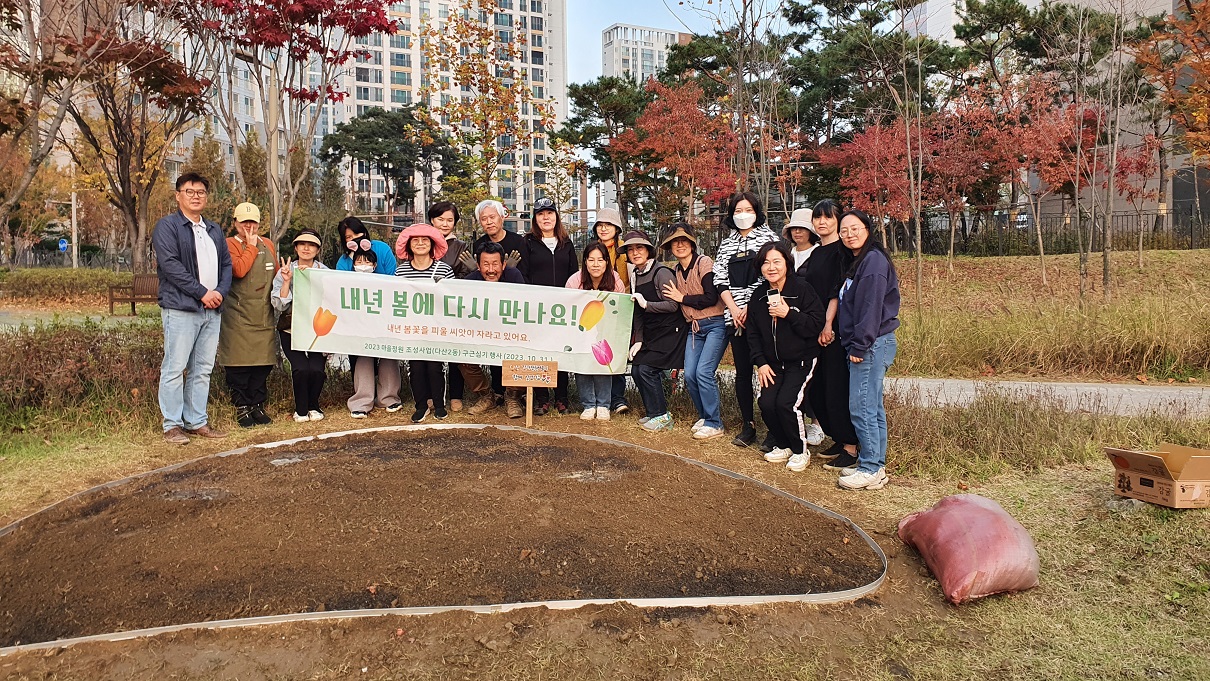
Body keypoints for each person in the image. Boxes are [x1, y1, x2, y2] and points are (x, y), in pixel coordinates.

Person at [152, 172, 232, 445]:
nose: (196, 196)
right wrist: (202, 293)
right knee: (175, 367)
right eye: (190, 191)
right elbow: (171, 267)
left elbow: (226, 265)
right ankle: (172, 425)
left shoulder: (213, 229)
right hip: (182, 308)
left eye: (201, 192)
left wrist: (219, 292)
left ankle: (196, 421)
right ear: (178, 195)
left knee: (203, 368)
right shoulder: (168, 226)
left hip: (212, 310)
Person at [836, 209, 901, 491]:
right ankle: (876, 465)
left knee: (861, 407)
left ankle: (870, 467)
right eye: (844, 230)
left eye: (855, 228)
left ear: (867, 228)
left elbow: (870, 308)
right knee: (872, 407)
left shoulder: (873, 262)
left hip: (871, 344)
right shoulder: (859, 261)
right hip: (870, 342)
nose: (849, 234)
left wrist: (860, 344)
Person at [747, 242, 825, 472]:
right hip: (771, 364)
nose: (771, 267)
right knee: (766, 403)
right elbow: (752, 333)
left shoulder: (802, 289)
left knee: (787, 404)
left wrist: (788, 313)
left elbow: (815, 324)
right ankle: (783, 444)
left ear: (787, 264)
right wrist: (760, 362)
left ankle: (801, 450)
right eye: (766, 263)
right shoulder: (759, 295)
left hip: (801, 361)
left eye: (776, 262)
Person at [713, 191, 781, 448]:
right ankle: (748, 425)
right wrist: (733, 308)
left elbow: (773, 277)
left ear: (757, 212)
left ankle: (773, 428)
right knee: (743, 373)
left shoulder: (769, 239)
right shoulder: (726, 245)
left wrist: (751, 309)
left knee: (768, 369)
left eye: (748, 210)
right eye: (738, 211)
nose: (743, 215)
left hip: (762, 315)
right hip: (735, 318)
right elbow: (719, 278)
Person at [797, 201, 861, 472]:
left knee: (836, 387)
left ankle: (851, 446)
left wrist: (828, 325)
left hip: (833, 329)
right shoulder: (816, 252)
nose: (821, 222)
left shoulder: (841, 253)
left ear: (838, 220)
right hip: (814, 329)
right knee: (819, 388)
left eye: (827, 217)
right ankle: (838, 438)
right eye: (817, 218)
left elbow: (836, 292)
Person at [659, 224, 727, 440]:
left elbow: (711, 297)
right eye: (675, 242)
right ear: (670, 247)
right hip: (694, 328)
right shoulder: (677, 271)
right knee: (689, 374)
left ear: (692, 243)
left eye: (684, 240)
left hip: (714, 323)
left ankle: (714, 422)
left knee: (704, 372)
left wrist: (682, 299)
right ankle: (705, 416)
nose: (680, 245)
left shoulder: (703, 263)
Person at [217, 202, 278, 428]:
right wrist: (251, 247)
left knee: (263, 363)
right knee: (239, 364)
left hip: (263, 313)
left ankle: (257, 404)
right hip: (238, 315)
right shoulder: (229, 244)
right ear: (235, 223)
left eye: (253, 222)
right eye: (244, 222)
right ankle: (241, 406)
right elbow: (238, 270)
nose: (249, 226)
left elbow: (276, 274)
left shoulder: (268, 244)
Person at [338, 216, 403, 418]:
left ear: (364, 232)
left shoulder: (382, 249)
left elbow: (394, 276)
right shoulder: (344, 259)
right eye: (349, 236)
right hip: (359, 315)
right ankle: (361, 400)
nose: (355, 239)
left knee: (388, 352)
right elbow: (339, 284)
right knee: (363, 354)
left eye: (357, 233)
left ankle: (389, 397)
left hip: (385, 310)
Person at [624, 230, 686, 432]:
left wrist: (647, 304)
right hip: (651, 333)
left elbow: (673, 305)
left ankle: (662, 416)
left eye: (639, 248)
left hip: (671, 331)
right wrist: (638, 339)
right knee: (636, 369)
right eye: (631, 249)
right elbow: (637, 312)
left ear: (648, 250)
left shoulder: (662, 273)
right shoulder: (634, 275)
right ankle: (652, 412)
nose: (635, 253)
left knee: (647, 370)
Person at [395, 223, 455, 423]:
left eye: (425, 240)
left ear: (432, 244)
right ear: (409, 246)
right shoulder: (400, 272)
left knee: (435, 367)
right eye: (416, 240)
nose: (420, 244)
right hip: (412, 329)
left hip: (436, 328)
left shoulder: (444, 270)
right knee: (416, 367)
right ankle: (421, 405)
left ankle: (439, 405)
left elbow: (452, 298)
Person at [524, 197, 578, 414]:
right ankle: (541, 398)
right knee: (539, 352)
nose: (546, 217)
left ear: (557, 216)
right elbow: (524, 275)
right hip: (538, 309)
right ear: (535, 219)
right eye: (540, 214)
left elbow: (575, 275)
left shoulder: (567, 243)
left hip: (563, 309)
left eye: (549, 213)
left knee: (561, 352)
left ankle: (562, 397)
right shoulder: (527, 242)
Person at [271, 229, 329, 423]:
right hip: (291, 328)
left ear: (317, 249)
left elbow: (333, 299)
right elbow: (279, 304)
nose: (306, 248)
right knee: (300, 368)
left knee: (317, 369)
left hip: (317, 329)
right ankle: (301, 409)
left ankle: (314, 405)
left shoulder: (325, 272)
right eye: (302, 244)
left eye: (311, 244)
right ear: (295, 248)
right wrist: (287, 281)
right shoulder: (286, 270)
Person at [566, 241, 626, 420]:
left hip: (607, 329)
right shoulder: (575, 280)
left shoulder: (615, 280)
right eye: (591, 260)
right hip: (581, 329)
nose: (596, 264)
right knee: (583, 363)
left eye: (600, 260)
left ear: (607, 262)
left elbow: (621, 308)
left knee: (602, 361)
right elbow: (568, 306)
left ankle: (604, 405)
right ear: (584, 261)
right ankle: (588, 404)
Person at [782, 208, 826, 448]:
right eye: (794, 228)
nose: (798, 232)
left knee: (815, 375)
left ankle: (816, 423)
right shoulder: (787, 254)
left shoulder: (818, 254)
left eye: (803, 228)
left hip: (811, 320)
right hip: (789, 322)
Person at [467, 241, 526, 416]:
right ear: (478, 265)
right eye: (485, 264)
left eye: (495, 264)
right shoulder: (469, 281)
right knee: (459, 353)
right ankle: (486, 395)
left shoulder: (514, 276)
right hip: (480, 334)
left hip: (510, 333)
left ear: (504, 264)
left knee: (526, 349)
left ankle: (512, 396)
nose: (491, 269)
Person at [430, 201, 474, 413]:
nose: (445, 224)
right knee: (431, 351)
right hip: (428, 306)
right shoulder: (422, 242)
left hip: (452, 304)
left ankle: (456, 395)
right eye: (441, 219)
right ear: (432, 220)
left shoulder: (461, 246)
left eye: (450, 220)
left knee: (456, 351)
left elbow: (466, 275)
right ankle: (433, 394)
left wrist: (446, 282)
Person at [592, 208, 632, 414]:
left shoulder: (626, 249)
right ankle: (599, 398)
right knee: (600, 352)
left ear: (617, 228)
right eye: (600, 225)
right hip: (598, 309)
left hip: (622, 307)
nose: (604, 228)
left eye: (608, 225)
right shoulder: (593, 249)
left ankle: (618, 398)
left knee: (617, 354)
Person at [471, 199, 528, 281]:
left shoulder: (519, 241)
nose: (489, 222)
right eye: (484, 219)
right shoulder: (478, 245)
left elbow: (525, 274)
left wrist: (508, 270)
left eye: (492, 217)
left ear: (502, 218)